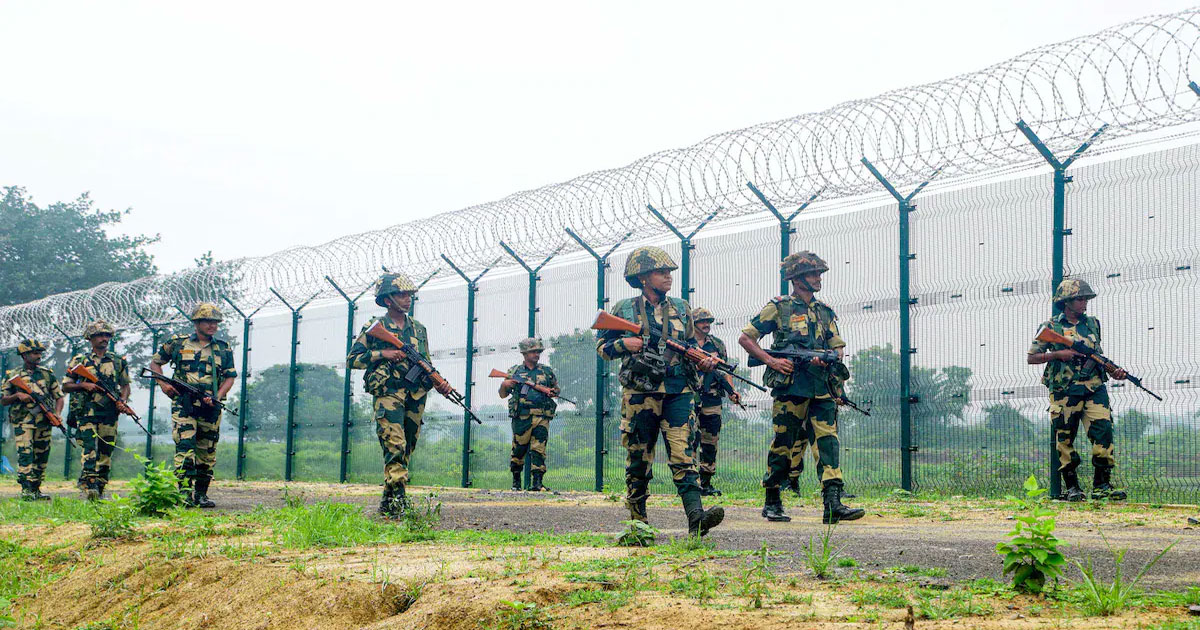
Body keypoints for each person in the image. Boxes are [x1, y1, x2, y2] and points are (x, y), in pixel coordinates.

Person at [596, 246, 724, 537]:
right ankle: (638, 525)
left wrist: (704, 360)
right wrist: (623, 345)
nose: (668, 277)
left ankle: (696, 518)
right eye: (661, 272)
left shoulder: (681, 307)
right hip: (640, 394)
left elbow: (691, 345)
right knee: (639, 459)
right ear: (642, 277)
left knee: (684, 456)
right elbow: (602, 348)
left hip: (678, 392)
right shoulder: (624, 309)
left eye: (669, 272)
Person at [739, 251, 864, 524]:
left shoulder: (824, 311)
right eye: (812, 274)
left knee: (828, 442)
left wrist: (831, 358)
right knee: (784, 444)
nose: (818, 279)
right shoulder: (779, 307)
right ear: (796, 279)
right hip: (791, 387)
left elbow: (837, 345)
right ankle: (772, 498)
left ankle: (833, 503)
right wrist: (771, 361)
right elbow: (746, 338)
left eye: (819, 274)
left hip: (822, 387)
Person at [348, 272, 452, 518]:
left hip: (415, 395)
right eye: (401, 295)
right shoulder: (376, 328)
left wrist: (439, 382)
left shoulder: (419, 329)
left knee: (407, 448)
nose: (407, 299)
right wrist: (382, 354)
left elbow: (425, 361)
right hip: (389, 392)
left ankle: (387, 500)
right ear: (387, 300)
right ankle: (398, 502)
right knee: (395, 445)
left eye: (409, 295)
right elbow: (352, 359)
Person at [1027, 279, 1127, 501]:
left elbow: (1096, 354)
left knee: (1104, 433)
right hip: (1065, 390)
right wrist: (1056, 354)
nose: (1085, 303)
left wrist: (1113, 370)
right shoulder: (1051, 327)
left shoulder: (1092, 324)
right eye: (1080, 299)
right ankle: (1072, 487)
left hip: (1094, 388)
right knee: (1065, 436)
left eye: (1086, 299)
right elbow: (1031, 357)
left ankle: (1102, 486)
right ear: (1066, 302)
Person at [150, 303, 236, 508]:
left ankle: (201, 495)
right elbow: (155, 363)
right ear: (196, 323)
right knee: (185, 447)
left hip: (210, 407)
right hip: (184, 405)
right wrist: (163, 384)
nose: (212, 326)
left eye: (215, 322)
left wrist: (217, 396)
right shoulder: (178, 343)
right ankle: (185, 494)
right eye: (208, 321)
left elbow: (230, 377)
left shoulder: (223, 348)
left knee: (207, 451)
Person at [62, 320, 130, 501]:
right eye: (100, 335)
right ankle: (89, 484)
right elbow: (65, 386)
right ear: (90, 339)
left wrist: (122, 401)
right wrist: (85, 384)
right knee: (90, 450)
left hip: (109, 413)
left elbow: (125, 385)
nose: (104, 338)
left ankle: (100, 486)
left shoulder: (117, 361)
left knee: (106, 450)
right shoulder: (80, 361)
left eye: (107, 335)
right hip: (87, 412)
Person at [1, 339, 64, 501]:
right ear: (24, 355)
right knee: (26, 454)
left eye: (40, 353)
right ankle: (26, 489)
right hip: (23, 422)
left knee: (42, 455)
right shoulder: (13, 376)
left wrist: (57, 414)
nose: (39, 356)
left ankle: (36, 488)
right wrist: (17, 396)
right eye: (35, 353)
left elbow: (59, 397)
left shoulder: (46, 374)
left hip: (44, 421)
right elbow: (3, 399)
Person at [688, 307, 740, 496]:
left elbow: (726, 372)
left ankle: (707, 482)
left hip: (712, 399)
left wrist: (732, 391)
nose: (706, 325)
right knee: (690, 440)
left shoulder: (717, 345)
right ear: (693, 323)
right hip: (690, 397)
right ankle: (690, 483)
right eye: (702, 321)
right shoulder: (686, 343)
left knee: (710, 441)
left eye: (709, 321)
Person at [499, 337, 559, 492]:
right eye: (533, 351)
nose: (536, 354)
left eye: (538, 351)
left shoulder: (547, 371)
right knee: (519, 449)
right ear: (525, 353)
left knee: (539, 449)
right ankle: (516, 483)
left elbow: (556, 389)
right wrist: (505, 384)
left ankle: (537, 483)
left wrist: (553, 392)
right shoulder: (514, 372)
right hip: (522, 417)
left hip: (542, 416)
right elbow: (502, 394)